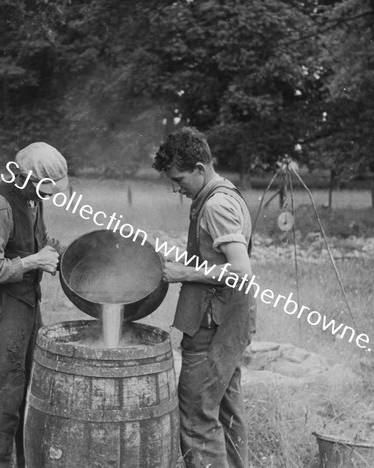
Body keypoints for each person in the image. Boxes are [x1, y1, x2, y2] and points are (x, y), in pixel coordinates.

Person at [152, 127, 256, 468]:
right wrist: (183, 262)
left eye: (179, 178)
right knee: (227, 410)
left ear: (200, 168)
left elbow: (241, 271)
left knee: (197, 417)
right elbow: (218, 258)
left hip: (214, 323)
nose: (175, 187)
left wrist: (183, 274)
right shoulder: (223, 193)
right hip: (229, 322)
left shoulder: (216, 205)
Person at [0, 142, 68, 468]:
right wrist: (32, 262)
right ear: (25, 177)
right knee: (1, 397)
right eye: (46, 190)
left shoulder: (32, 200)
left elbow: (37, 242)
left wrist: (67, 252)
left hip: (24, 305)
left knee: (29, 393)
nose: (49, 197)